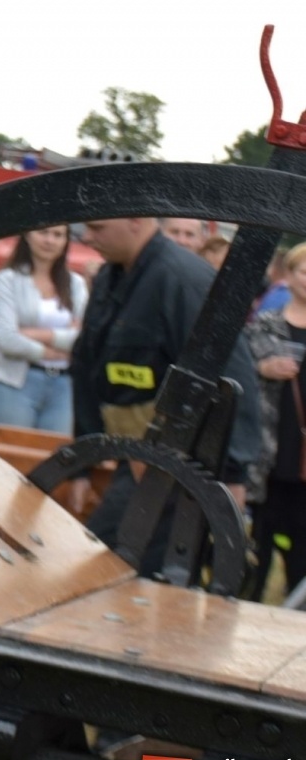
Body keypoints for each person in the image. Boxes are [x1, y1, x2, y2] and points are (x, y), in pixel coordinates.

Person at [72, 217, 261, 556]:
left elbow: (234, 378)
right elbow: (87, 365)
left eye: (97, 227)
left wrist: (233, 476)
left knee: (111, 559)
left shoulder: (183, 280)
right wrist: (81, 465)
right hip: (136, 458)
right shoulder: (109, 278)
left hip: (182, 469)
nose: (87, 237)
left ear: (135, 220)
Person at [0, 226, 88, 433]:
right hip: (14, 383)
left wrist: (33, 333)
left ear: (66, 241)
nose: (50, 240)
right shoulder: (8, 279)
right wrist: (52, 351)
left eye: (58, 235)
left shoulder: (76, 284)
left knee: (52, 460)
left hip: (63, 385)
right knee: (7, 458)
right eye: (43, 232)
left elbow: (84, 339)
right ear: (27, 235)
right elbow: (6, 339)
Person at [244, 241, 306, 596]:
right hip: (270, 448)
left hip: (303, 459)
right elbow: (236, 379)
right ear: (289, 276)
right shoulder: (265, 326)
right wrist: (262, 368)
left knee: (302, 548)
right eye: (303, 271)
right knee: (261, 542)